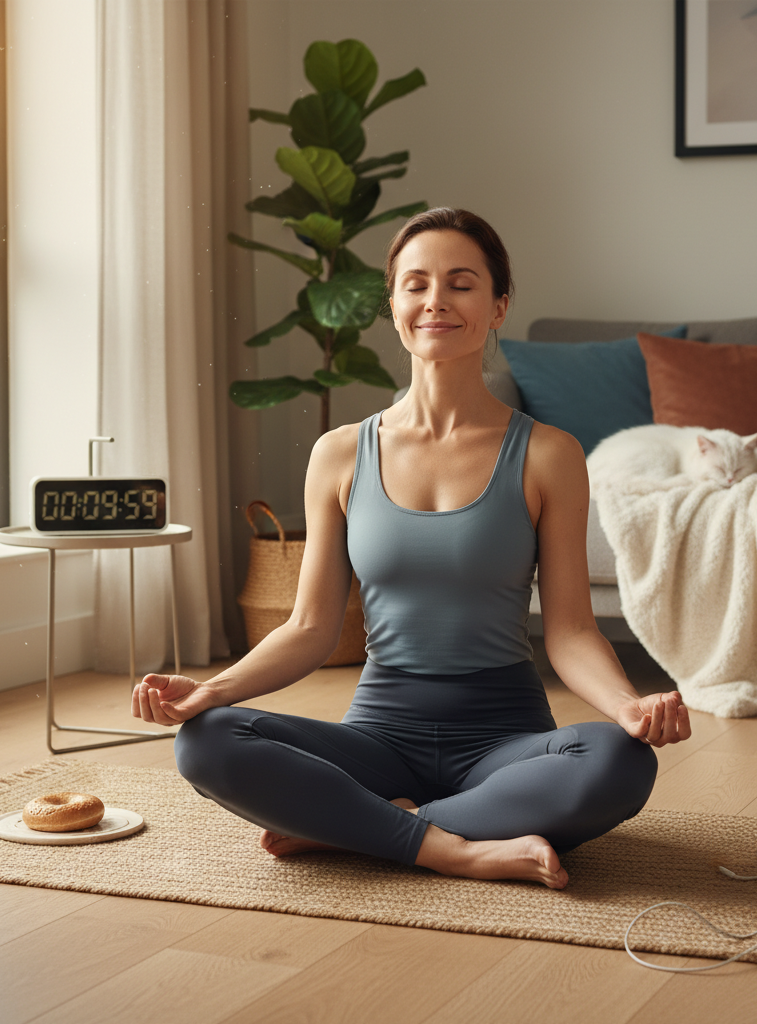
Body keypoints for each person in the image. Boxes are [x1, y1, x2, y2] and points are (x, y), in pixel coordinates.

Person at [132, 208, 691, 889]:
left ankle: (355, 827)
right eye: (416, 283)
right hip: (377, 736)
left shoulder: (548, 453)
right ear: (393, 304)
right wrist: (208, 692)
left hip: (505, 741)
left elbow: (571, 629)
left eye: (461, 283)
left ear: (498, 305)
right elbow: (310, 629)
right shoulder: (339, 454)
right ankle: (453, 847)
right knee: (207, 741)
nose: (436, 301)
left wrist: (628, 708)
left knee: (619, 761)